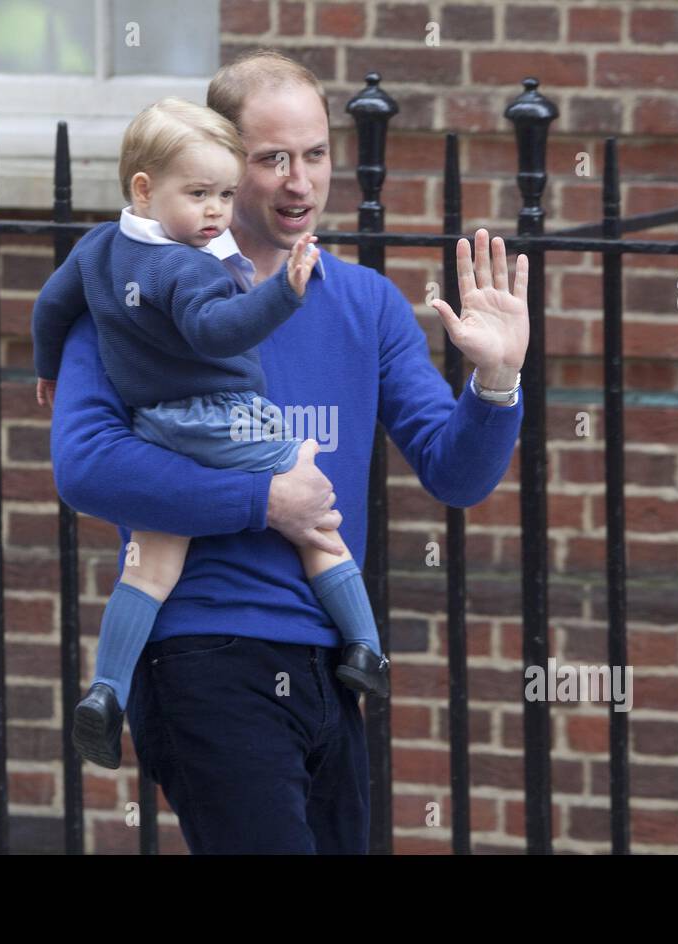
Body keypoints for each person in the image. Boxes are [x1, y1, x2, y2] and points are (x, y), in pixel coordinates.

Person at [48, 49, 529, 854]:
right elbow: (86, 467)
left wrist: (498, 380)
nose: (300, 181)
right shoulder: (132, 295)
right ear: (220, 163)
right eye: (272, 159)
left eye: (315, 154)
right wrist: (264, 502)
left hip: (331, 668)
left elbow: (456, 474)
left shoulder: (367, 303)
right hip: (202, 654)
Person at [32, 97, 390, 771]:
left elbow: (51, 307)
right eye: (199, 194)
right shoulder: (186, 265)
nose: (216, 212)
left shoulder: (97, 250)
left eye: (224, 194)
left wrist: (47, 368)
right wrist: (282, 292)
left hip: (157, 427)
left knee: (152, 563)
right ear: (144, 188)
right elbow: (215, 330)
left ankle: (106, 690)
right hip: (225, 418)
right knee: (315, 515)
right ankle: (367, 649)